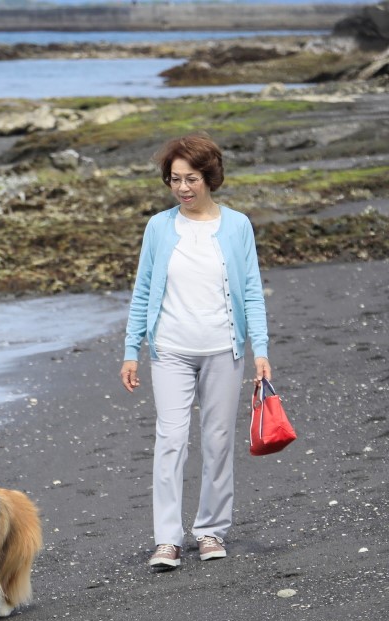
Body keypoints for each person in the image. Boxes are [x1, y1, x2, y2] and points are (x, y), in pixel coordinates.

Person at [120, 132, 272, 571]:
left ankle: (210, 530)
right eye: (174, 180)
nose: (183, 188)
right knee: (170, 440)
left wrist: (259, 348)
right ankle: (167, 539)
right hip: (169, 349)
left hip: (224, 349)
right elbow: (143, 290)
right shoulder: (159, 227)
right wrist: (132, 350)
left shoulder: (238, 226)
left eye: (191, 179)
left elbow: (252, 293)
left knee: (218, 440)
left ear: (210, 177)